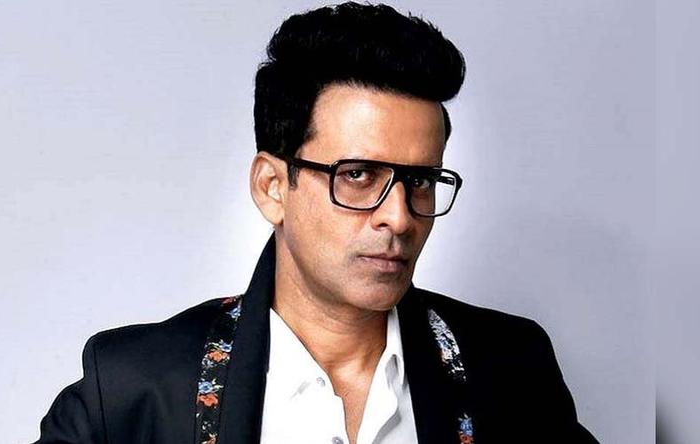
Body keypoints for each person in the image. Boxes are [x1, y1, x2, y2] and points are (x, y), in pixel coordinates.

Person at [35, 3, 599, 443]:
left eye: (421, 180)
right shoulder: (134, 388)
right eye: (357, 175)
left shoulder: (510, 369)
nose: (399, 216)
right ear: (272, 187)